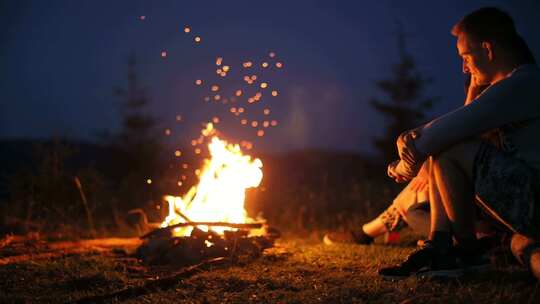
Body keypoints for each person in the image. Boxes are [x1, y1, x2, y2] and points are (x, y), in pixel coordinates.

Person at [378, 7, 540, 279]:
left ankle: (464, 252)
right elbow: (461, 127)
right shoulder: (509, 88)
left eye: (466, 56)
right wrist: (473, 94)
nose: (464, 67)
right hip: (524, 200)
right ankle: (443, 245)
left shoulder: (525, 83)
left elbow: (448, 133)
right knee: (446, 149)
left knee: (449, 145)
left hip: (533, 199)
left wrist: (407, 161)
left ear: (488, 50)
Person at [324, 75, 492, 247]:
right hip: (475, 197)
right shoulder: (489, 117)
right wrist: (427, 167)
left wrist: (412, 167)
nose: (465, 67)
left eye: (467, 58)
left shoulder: (494, 116)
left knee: (414, 208)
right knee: (418, 192)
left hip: (484, 206)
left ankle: (366, 234)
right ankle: (366, 234)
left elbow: (460, 132)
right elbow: (461, 131)